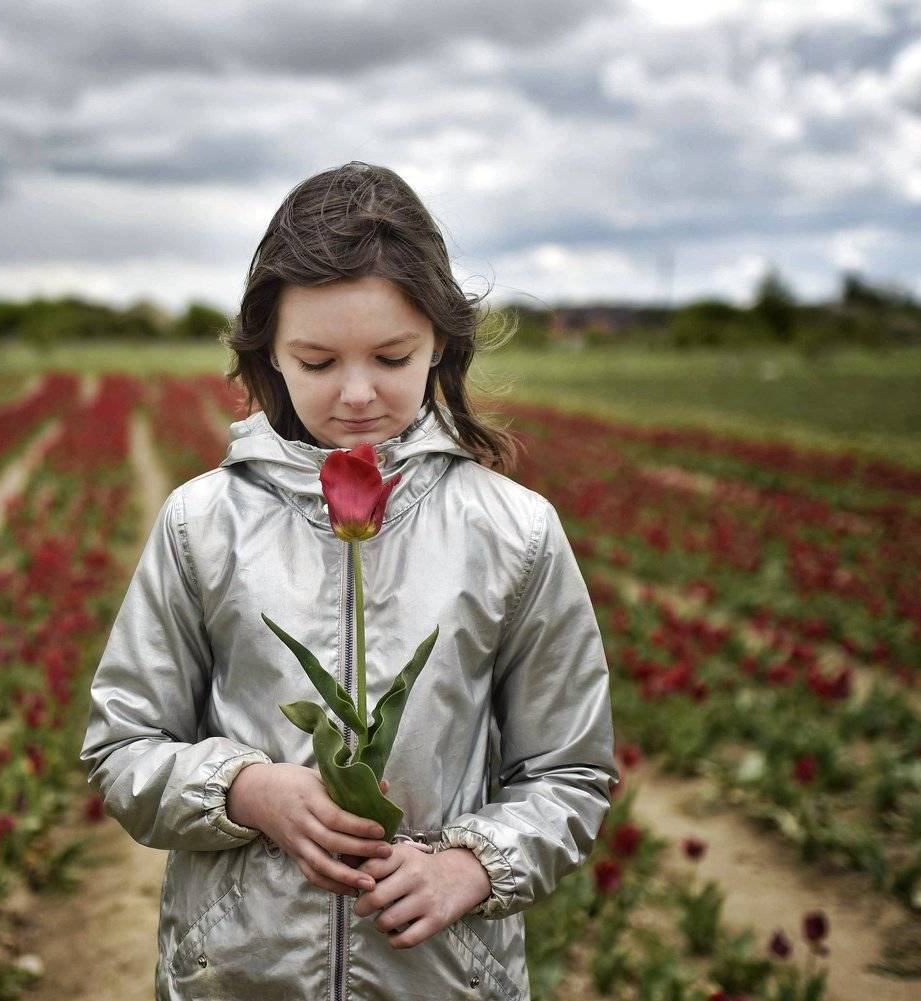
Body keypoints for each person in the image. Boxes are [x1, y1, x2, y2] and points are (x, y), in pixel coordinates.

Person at [80, 161, 619, 1000]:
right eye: (319, 359)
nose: (358, 393)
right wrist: (248, 791)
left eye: (392, 355)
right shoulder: (202, 523)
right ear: (269, 354)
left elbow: (571, 773)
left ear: (441, 339)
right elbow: (122, 749)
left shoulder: (513, 531)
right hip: (239, 975)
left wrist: (472, 865)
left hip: (440, 976)